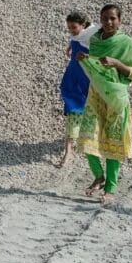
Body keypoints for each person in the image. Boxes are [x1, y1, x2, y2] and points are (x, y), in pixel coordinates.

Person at [75, 4, 132, 206]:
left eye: (113, 18)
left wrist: (116, 63)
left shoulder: (126, 43)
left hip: (115, 99)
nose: (109, 22)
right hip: (96, 96)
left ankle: (110, 188)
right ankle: (98, 176)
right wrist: (85, 60)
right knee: (87, 137)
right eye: (105, 18)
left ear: (120, 20)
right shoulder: (95, 40)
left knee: (114, 142)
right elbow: (96, 68)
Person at [57, 12, 100, 168]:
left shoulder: (91, 35)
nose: (71, 31)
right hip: (72, 80)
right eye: (68, 28)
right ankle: (68, 152)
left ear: (83, 25)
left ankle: (92, 144)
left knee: (88, 112)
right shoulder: (79, 35)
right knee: (72, 112)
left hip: (85, 81)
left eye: (74, 27)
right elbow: (75, 39)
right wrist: (70, 45)